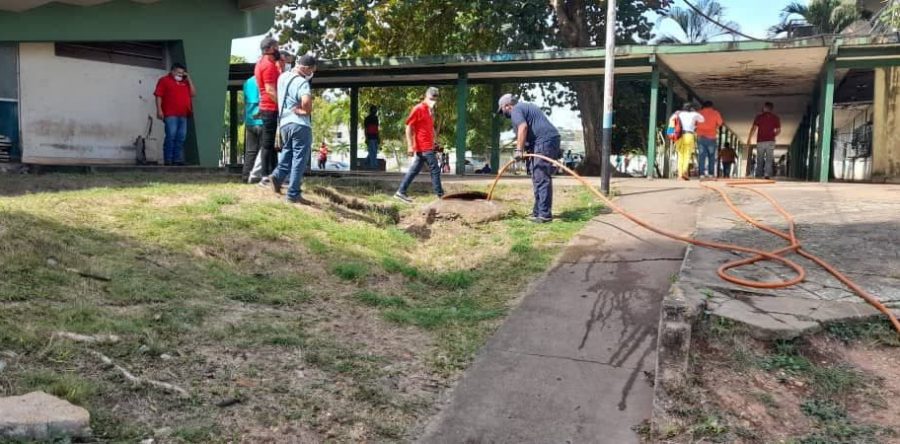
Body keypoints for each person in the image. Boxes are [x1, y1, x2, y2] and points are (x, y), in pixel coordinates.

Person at [498, 94, 561, 224]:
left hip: (545, 141)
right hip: (545, 141)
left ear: (507, 106)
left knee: (541, 176)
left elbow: (523, 128)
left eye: (502, 110)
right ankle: (538, 211)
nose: (503, 114)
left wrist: (518, 150)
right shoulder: (525, 107)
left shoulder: (516, 110)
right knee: (536, 175)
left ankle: (544, 215)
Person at [265, 54, 317, 204]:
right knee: (299, 159)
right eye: (312, 70)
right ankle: (293, 193)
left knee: (287, 153)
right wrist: (305, 111)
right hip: (299, 124)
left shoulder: (282, 77)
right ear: (306, 68)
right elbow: (306, 102)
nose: (312, 73)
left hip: (284, 124)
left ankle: (277, 177)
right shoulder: (302, 82)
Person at [394, 87, 445, 203]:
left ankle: (400, 192)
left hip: (428, 145)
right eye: (431, 99)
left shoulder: (430, 111)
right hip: (423, 146)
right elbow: (408, 127)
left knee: (414, 170)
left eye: (435, 99)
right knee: (435, 169)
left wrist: (435, 140)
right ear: (425, 96)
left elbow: (429, 128)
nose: (433, 101)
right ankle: (440, 195)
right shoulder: (418, 108)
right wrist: (410, 146)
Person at [154, 62, 195, 166]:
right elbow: (158, 95)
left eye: (182, 73)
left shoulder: (185, 83)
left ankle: (177, 159)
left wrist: (188, 79)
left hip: (183, 114)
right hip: (170, 114)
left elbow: (193, 93)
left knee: (181, 137)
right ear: (172, 71)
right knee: (171, 136)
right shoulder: (164, 80)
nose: (180, 75)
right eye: (178, 72)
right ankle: (168, 160)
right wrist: (159, 110)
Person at [253, 37, 282, 180]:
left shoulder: (261, 63)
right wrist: (283, 105)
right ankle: (265, 176)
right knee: (267, 143)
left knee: (270, 145)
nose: (278, 49)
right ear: (269, 49)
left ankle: (273, 174)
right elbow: (270, 91)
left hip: (266, 107)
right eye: (276, 47)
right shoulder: (268, 66)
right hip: (270, 107)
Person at [747, 102, 781, 179]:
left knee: (760, 158)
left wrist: (749, 138)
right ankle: (767, 174)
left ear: (765, 108)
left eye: (764, 107)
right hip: (771, 141)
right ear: (771, 109)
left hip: (760, 141)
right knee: (769, 158)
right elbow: (778, 131)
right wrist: (772, 135)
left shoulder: (759, 117)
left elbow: (754, 128)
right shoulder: (776, 118)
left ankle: (759, 174)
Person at [241, 76, 264, 182]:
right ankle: (261, 175)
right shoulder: (265, 80)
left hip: (250, 120)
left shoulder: (247, 82)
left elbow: (245, 102)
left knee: (250, 150)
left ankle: (245, 174)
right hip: (263, 119)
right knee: (264, 150)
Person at [674, 103, 704, 181]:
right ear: (691, 109)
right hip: (689, 135)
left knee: (680, 155)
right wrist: (695, 113)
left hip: (679, 136)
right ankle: (684, 171)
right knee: (687, 154)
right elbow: (702, 119)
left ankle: (680, 175)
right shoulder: (694, 114)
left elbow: (672, 121)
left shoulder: (679, 114)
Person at [697, 100, 724, 178]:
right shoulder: (715, 113)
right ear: (711, 106)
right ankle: (710, 174)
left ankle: (701, 174)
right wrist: (715, 127)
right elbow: (720, 123)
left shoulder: (698, 113)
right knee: (711, 156)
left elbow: (694, 123)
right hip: (711, 137)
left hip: (701, 137)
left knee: (702, 156)